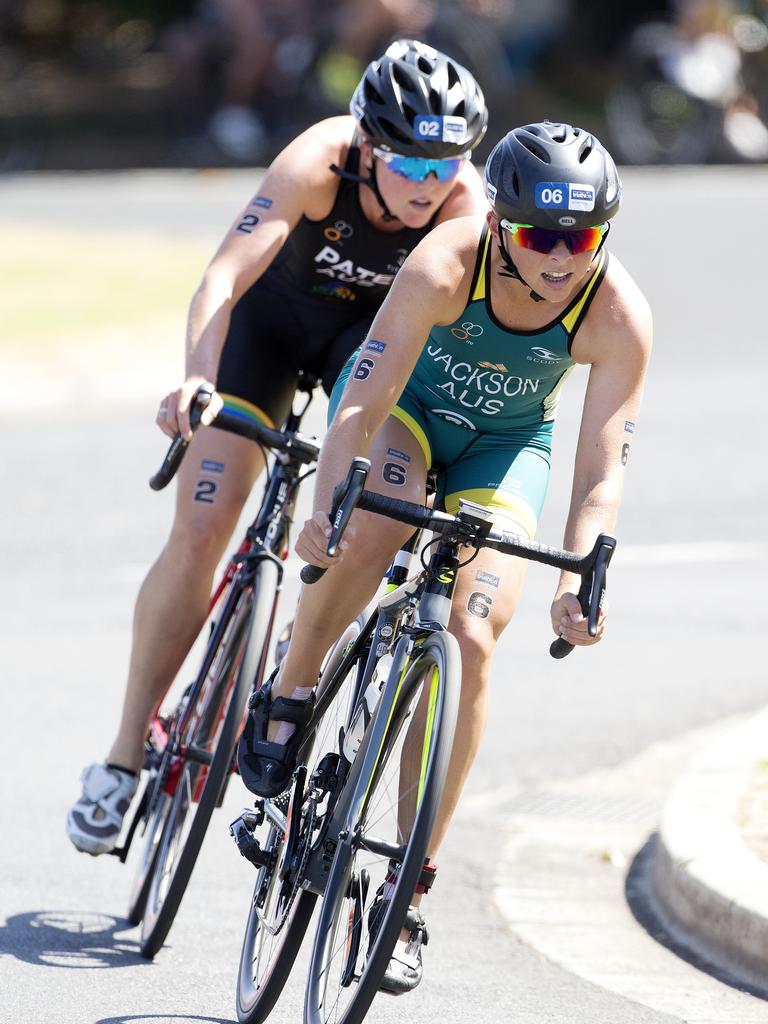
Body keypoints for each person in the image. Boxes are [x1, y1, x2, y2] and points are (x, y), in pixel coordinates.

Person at [236, 120, 653, 991]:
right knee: (377, 527)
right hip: (408, 416)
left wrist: (581, 574)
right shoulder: (444, 263)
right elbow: (363, 394)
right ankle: (291, 685)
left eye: (580, 238)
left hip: (507, 449)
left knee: (471, 633)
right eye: (539, 234)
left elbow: (598, 468)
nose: (559, 257)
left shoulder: (617, 314)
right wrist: (327, 506)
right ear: (500, 221)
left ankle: (407, 887)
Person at [65, 38, 488, 857]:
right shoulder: (317, 162)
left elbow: (445, 349)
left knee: (355, 504)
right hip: (266, 331)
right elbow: (222, 280)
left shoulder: (463, 205)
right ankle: (121, 758)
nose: (427, 187)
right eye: (410, 166)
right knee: (201, 526)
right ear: (368, 145)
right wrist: (194, 380)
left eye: (445, 169)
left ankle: (289, 678)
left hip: (358, 352)